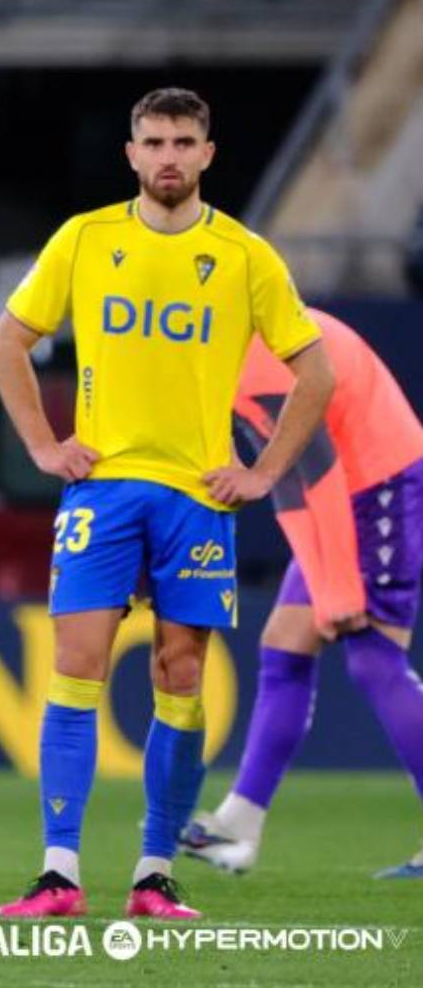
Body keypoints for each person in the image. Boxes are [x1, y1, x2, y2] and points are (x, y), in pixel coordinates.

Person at [0, 88, 334, 921]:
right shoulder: (85, 238)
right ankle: (59, 874)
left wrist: (263, 473)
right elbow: (8, 340)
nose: (168, 156)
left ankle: (154, 875)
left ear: (207, 153)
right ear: (132, 154)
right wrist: (43, 447)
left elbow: (315, 372)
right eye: (154, 142)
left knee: (180, 676)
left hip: (195, 497)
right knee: (77, 666)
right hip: (103, 490)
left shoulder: (245, 255)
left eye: (183, 142)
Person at [180, 307, 423, 879]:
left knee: (373, 659)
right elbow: (286, 476)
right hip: (353, 488)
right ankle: (240, 821)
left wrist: (337, 586)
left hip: (382, 485)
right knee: (284, 646)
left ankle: (240, 821)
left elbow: (315, 471)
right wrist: (325, 576)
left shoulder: (260, 357)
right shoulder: (234, 341)